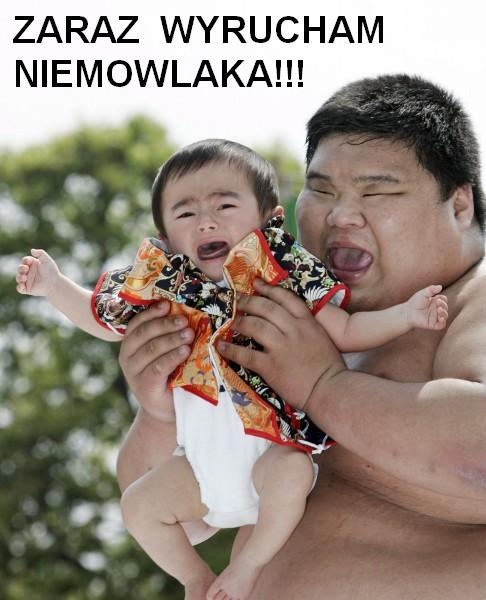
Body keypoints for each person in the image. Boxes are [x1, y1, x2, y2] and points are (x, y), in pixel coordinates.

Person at [16, 137, 448, 600]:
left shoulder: (284, 278)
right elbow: (102, 319)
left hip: (272, 455)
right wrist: (54, 287)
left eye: (224, 205)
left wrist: (406, 315)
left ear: (269, 218)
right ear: (166, 237)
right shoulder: (164, 287)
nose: (206, 221)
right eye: (186, 213)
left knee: (293, 474)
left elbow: (346, 330)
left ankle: (246, 567)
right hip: (199, 470)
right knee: (138, 505)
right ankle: (196, 578)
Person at [114, 75, 486, 599]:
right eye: (321, 190)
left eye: (377, 191)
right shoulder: (283, 314)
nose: (340, 215)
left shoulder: (474, 298)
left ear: (460, 205)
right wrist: (158, 412)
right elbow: (185, 522)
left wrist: (322, 386)